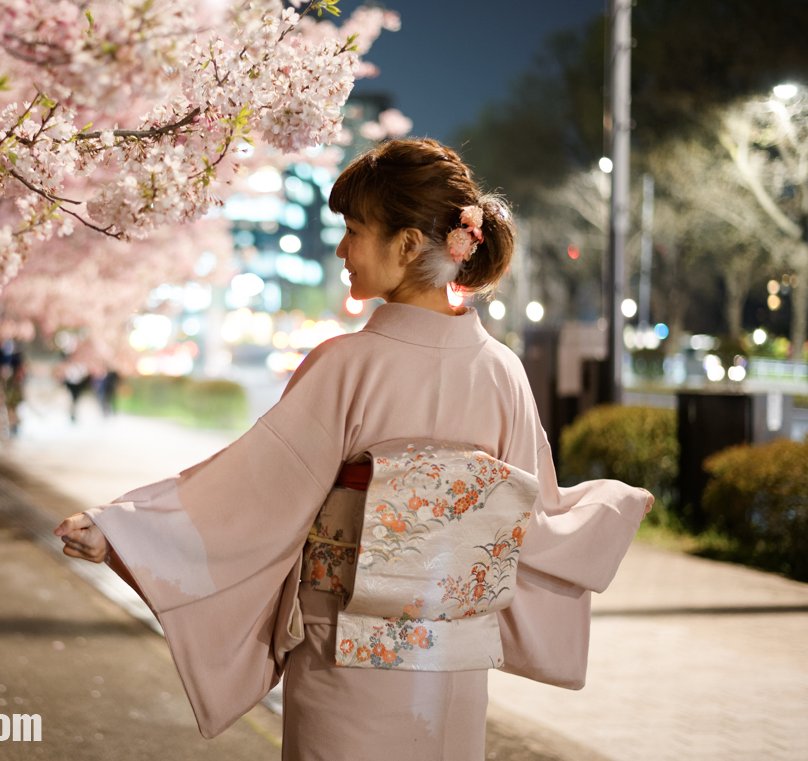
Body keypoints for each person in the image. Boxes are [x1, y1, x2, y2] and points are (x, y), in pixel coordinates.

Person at [55, 138, 652, 760]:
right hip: (452, 666)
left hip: (347, 655)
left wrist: (126, 531)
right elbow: (539, 517)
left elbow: (255, 493)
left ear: (408, 244)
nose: (342, 248)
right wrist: (606, 511)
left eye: (354, 230)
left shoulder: (347, 365)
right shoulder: (501, 371)